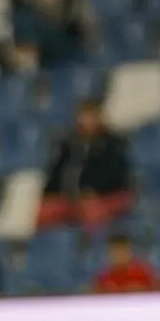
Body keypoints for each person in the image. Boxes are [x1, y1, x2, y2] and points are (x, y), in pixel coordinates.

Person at [36, 99, 133, 232]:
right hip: (70, 199)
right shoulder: (68, 146)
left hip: (104, 197)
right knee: (43, 211)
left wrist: (90, 191)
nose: (84, 121)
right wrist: (51, 194)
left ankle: (91, 243)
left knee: (90, 211)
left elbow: (115, 175)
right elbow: (56, 175)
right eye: (81, 116)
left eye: (89, 116)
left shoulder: (113, 145)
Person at [93, 233, 159, 294]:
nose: (119, 256)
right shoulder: (103, 277)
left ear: (129, 252)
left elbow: (158, 293)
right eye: (115, 252)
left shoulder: (144, 273)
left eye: (122, 252)